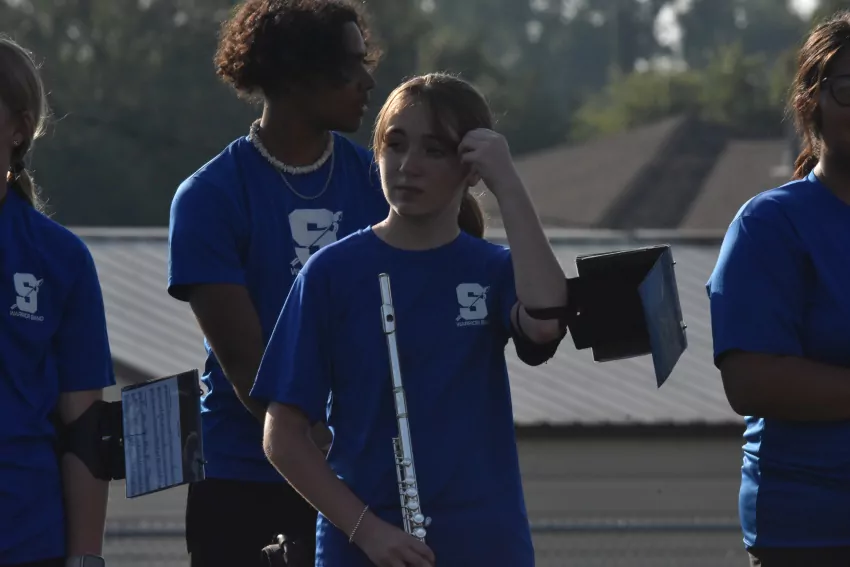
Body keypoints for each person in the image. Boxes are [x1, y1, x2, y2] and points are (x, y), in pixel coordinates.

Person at [251, 72, 569, 567]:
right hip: (363, 551)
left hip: (486, 547)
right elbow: (283, 436)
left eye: (434, 150)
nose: (408, 166)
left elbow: (546, 320)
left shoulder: (494, 268)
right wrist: (369, 532)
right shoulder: (331, 272)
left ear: (470, 168)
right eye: (395, 145)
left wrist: (507, 183)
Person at [166, 0, 388, 565]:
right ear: (295, 72)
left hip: (366, 476)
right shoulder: (209, 197)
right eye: (350, 64)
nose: (367, 81)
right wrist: (339, 475)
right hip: (244, 484)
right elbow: (253, 373)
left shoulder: (380, 185)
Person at [706, 10, 850, 567]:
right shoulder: (770, 224)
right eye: (848, 88)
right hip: (812, 532)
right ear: (811, 102)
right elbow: (752, 380)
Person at [0, 37, 114, 567]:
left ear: (19, 128)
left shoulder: (60, 258)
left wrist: (86, 558)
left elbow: (85, 430)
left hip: (26, 541)